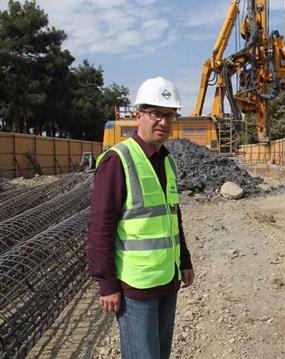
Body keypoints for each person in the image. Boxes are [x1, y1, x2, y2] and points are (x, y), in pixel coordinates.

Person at [87, 76, 194, 359]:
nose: (164, 121)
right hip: (136, 286)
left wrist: (184, 261)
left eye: (170, 115)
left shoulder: (167, 160)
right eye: (156, 114)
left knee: (159, 354)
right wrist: (106, 283)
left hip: (167, 279)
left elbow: (173, 215)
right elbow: (100, 226)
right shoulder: (117, 159)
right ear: (139, 116)